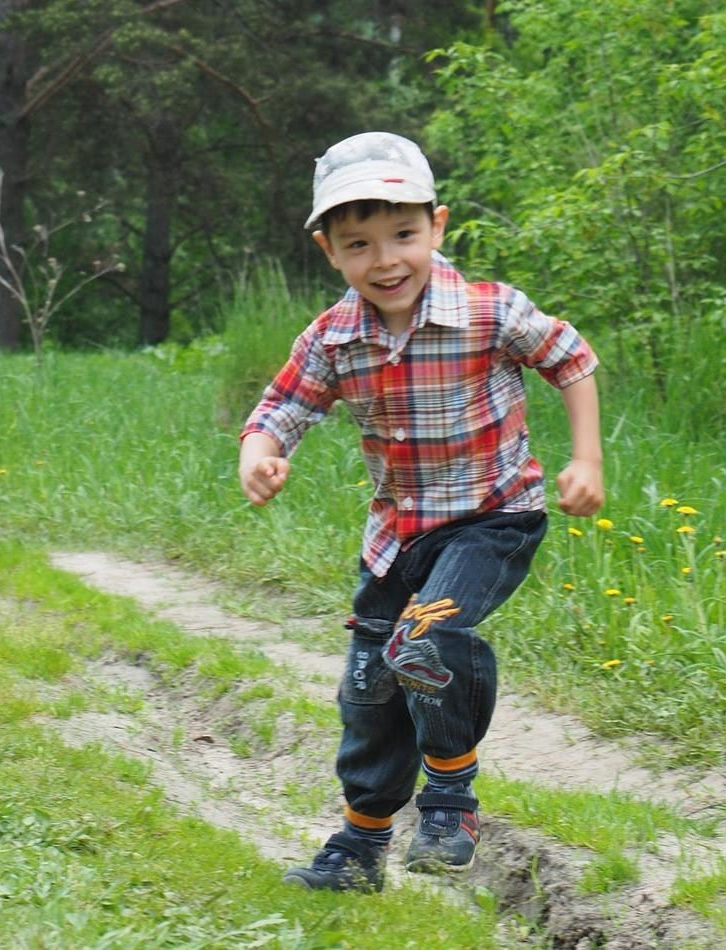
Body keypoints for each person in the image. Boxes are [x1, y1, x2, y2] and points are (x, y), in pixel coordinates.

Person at [238, 131, 605, 892]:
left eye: (404, 235)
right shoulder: (335, 337)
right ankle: (361, 847)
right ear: (329, 250)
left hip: (491, 518)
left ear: (437, 226)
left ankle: (450, 799)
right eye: (359, 243)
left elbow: (571, 359)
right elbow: (283, 407)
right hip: (396, 541)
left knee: (426, 639)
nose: (386, 260)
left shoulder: (488, 312)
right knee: (370, 691)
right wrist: (261, 452)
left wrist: (586, 459)